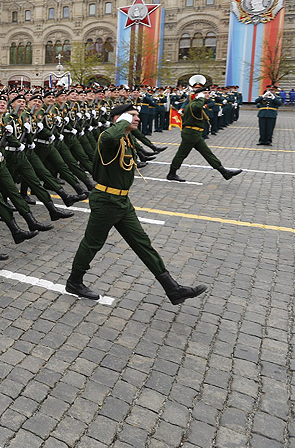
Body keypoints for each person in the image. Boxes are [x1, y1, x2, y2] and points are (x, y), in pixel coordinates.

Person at [66, 104, 208, 304]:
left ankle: (172, 289)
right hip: (106, 200)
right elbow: (107, 137)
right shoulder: (110, 137)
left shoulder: (126, 138)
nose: (137, 119)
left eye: (136, 116)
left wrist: (125, 123)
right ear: (118, 118)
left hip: (121, 200)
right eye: (131, 115)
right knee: (92, 244)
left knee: (142, 243)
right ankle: (74, 281)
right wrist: (122, 121)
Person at [166, 87, 243, 182]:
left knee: (207, 153)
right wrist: (200, 97)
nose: (207, 94)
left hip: (195, 134)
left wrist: (202, 98)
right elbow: (197, 107)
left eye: (208, 93)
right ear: (199, 95)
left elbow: (210, 103)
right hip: (191, 134)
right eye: (205, 93)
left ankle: (224, 172)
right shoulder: (194, 104)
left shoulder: (197, 103)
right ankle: (171, 173)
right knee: (182, 154)